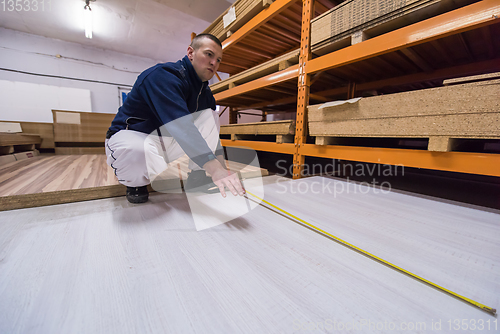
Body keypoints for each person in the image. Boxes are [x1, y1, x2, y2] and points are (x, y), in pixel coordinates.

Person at [105, 34, 245, 203]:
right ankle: (136, 183)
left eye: (219, 60)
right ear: (190, 53)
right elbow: (181, 126)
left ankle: (197, 176)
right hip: (133, 137)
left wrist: (223, 171)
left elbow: (210, 136)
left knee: (210, 115)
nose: (214, 63)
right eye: (209, 54)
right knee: (138, 151)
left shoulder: (204, 93)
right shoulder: (163, 76)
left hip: (165, 141)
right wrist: (215, 169)